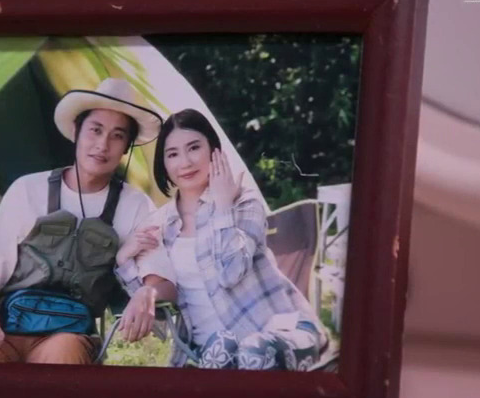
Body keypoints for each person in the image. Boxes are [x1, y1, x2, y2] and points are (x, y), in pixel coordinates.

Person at [0, 78, 177, 365]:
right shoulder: (27, 189)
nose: (102, 145)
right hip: (7, 332)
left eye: (117, 135)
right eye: (95, 130)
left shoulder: (135, 205)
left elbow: (163, 279)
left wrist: (148, 291)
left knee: (61, 357)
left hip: (71, 337)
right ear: (76, 132)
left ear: (126, 147)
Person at [116, 108, 327, 370]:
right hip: (213, 350)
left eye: (194, 148)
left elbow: (231, 273)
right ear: (164, 164)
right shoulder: (160, 224)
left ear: (214, 151)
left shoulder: (243, 202)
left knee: (252, 351)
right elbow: (156, 307)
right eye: (173, 154)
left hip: (276, 332)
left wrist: (223, 207)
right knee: (222, 349)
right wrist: (125, 259)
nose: (185, 162)